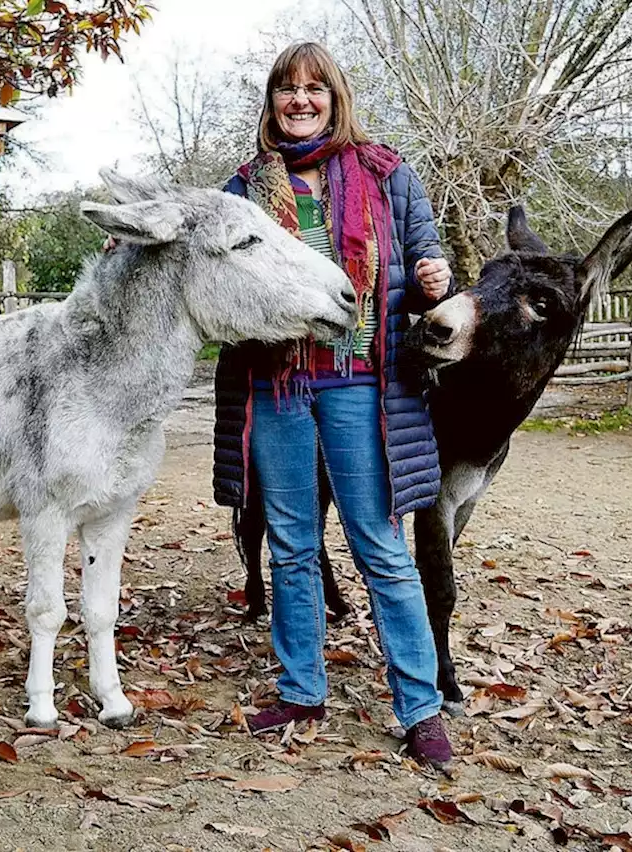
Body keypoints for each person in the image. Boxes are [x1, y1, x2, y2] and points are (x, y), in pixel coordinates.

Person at [212, 41, 454, 769]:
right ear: (272, 102)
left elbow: (420, 267)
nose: (300, 100)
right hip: (277, 388)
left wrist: (433, 279)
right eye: (287, 88)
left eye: (314, 88)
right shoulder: (244, 188)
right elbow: (223, 287)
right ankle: (300, 689)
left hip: (362, 388)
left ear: (334, 97)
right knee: (290, 545)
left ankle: (421, 709)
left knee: (379, 546)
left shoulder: (385, 173)